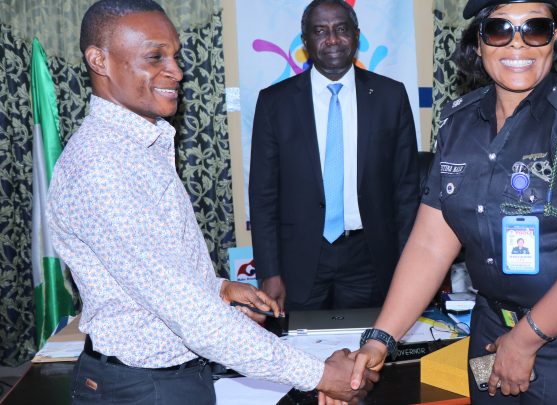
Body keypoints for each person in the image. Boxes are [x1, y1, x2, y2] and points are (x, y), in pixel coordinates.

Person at [47, 1, 375, 404]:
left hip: (170, 378)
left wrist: (219, 288)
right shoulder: (102, 168)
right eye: (155, 57)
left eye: (175, 55)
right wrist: (320, 375)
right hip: (143, 389)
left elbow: (154, 275)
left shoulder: (137, 147)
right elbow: (191, 315)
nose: (176, 71)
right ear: (99, 60)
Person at [348, 0, 557, 403]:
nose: (517, 44)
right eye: (499, 30)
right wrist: (381, 338)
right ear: (479, 42)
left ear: (555, 39)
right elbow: (431, 244)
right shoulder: (458, 122)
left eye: (535, 29)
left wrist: (524, 340)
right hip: (491, 332)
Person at [249, 0, 419, 311]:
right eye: (320, 31)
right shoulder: (275, 103)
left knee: (369, 341)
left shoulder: (390, 96)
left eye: (341, 29)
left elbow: (406, 190)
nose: (332, 39)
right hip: (298, 261)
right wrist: (269, 272)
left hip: (371, 259)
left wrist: (408, 267)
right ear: (305, 41)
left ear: (356, 36)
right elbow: (263, 195)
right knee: (299, 342)